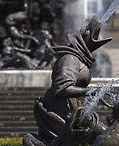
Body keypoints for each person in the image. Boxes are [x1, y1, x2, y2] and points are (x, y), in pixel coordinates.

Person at [23, 18, 112, 146]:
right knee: (103, 135)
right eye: (87, 32)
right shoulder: (69, 59)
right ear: (81, 38)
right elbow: (61, 88)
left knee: (103, 134)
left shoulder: (77, 59)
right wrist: (92, 91)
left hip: (71, 108)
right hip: (60, 111)